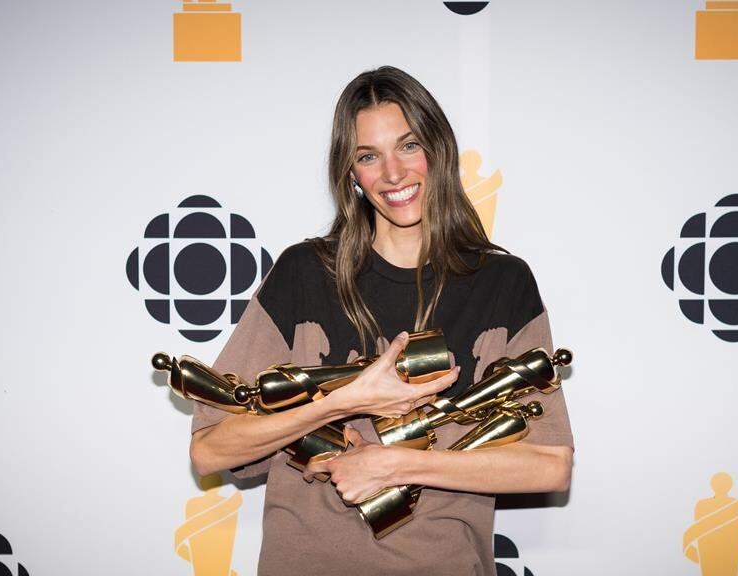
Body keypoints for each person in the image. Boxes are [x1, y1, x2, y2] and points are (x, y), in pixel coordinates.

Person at [189, 66, 573, 576]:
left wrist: (394, 463)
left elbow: (550, 465)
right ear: (350, 173)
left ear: (439, 150)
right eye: (368, 156)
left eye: (408, 146)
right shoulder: (304, 274)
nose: (393, 173)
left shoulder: (502, 282)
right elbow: (210, 449)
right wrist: (347, 400)